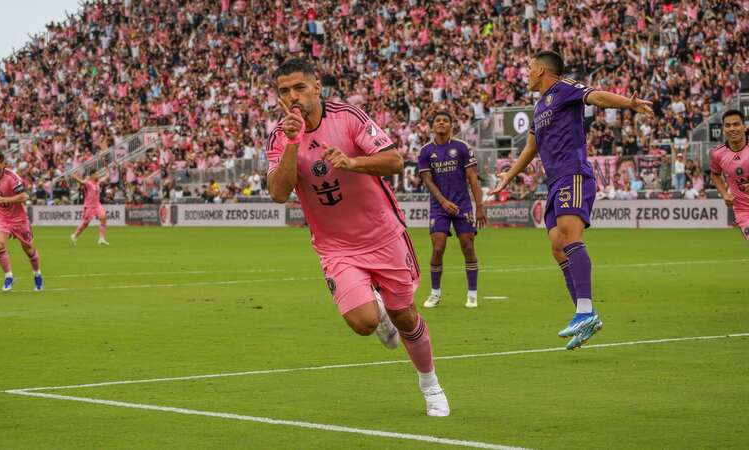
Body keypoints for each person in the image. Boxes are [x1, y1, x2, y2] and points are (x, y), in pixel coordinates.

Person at [266, 58, 449, 416]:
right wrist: (292, 142)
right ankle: (376, 311)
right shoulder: (279, 135)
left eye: (299, 88)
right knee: (364, 323)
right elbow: (278, 192)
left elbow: (394, 160)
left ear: (316, 87)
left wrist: (353, 163)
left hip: (383, 235)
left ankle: (430, 385)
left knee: (406, 317)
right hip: (336, 246)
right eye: (284, 92)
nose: (293, 97)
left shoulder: (348, 117)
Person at [491, 50, 653, 350]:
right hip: (554, 182)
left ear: (541, 70)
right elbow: (531, 148)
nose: (526, 72)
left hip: (573, 173)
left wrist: (629, 104)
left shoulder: (564, 88)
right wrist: (508, 177)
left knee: (569, 237)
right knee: (557, 246)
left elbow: (597, 97)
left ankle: (585, 310)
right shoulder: (539, 105)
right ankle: (584, 313)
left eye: (528, 67)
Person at [418, 111, 486, 309]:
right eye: (438, 120)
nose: (441, 123)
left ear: (451, 126)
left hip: (462, 205)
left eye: (445, 121)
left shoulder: (462, 148)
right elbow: (427, 180)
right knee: (438, 248)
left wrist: (479, 207)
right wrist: (443, 201)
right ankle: (435, 294)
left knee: (468, 247)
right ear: (432, 127)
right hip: (438, 206)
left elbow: (473, 178)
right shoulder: (425, 151)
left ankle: (472, 294)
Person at [0, 151, 43, 291]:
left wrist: (4, 200)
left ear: (3, 164)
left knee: (28, 249)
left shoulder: (12, 177)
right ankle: (8, 276)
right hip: (1, 217)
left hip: (19, 219)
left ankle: (37, 274)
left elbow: (24, 196)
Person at [710, 109, 749, 240]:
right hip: (744, 210)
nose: (732, 129)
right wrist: (724, 194)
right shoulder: (718, 154)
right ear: (723, 129)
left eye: (736, 124)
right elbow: (715, 175)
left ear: (744, 127)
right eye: (728, 125)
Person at [70, 169, 109, 246]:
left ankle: (101, 239)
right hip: (89, 206)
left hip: (97, 205)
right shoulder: (88, 183)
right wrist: (75, 177)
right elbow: (81, 182)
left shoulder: (98, 182)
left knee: (103, 217)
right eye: (96, 174)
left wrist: (107, 172)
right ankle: (74, 235)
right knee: (85, 224)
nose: (98, 175)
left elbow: (106, 177)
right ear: (92, 175)